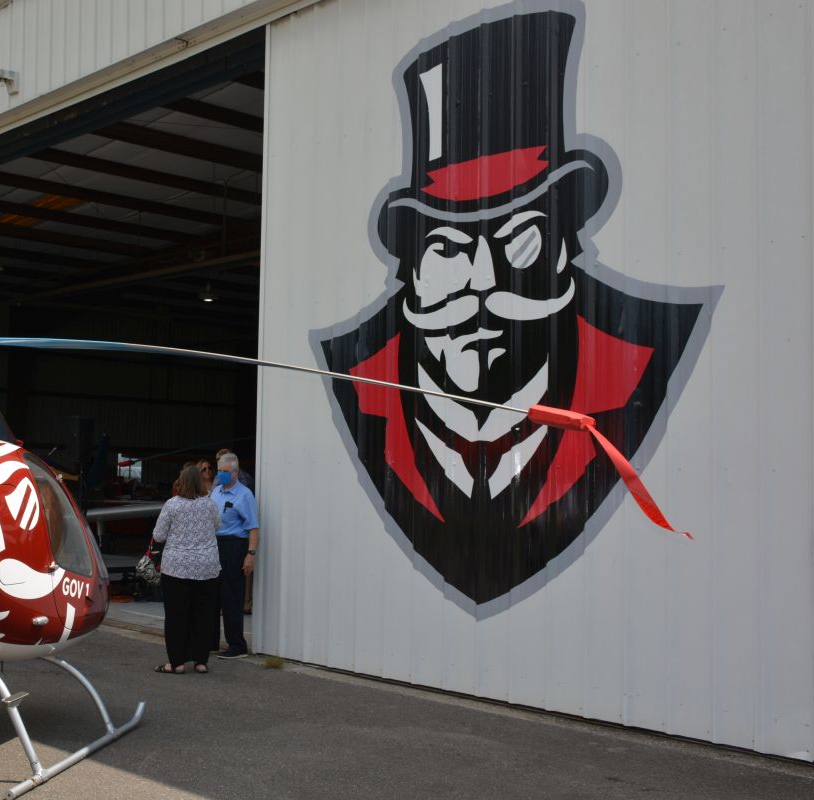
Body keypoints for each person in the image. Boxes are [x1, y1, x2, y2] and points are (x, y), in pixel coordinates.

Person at [317, 8, 707, 604]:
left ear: (564, 250)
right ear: (412, 270)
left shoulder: (651, 350)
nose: (482, 280)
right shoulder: (354, 370)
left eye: (518, 238)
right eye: (446, 247)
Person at [151, 464, 220, 674]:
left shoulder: (171, 505)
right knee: (203, 614)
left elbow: (159, 535)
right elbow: (219, 526)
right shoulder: (209, 504)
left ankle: (176, 663)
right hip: (206, 567)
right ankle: (201, 661)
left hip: (176, 568)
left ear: (181, 482)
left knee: (176, 616)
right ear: (200, 483)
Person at [209, 451, 258, 659]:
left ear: (236, 472)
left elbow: (253, 527)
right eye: (219, 471)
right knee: (212, 595)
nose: (221, 475)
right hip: (214, 545)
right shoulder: (216, 492)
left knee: (231, 597)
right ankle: (210, 641)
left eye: (225, 472)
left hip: (233, 546)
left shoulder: (244, 495)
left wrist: (250, 554)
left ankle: (237, 644)